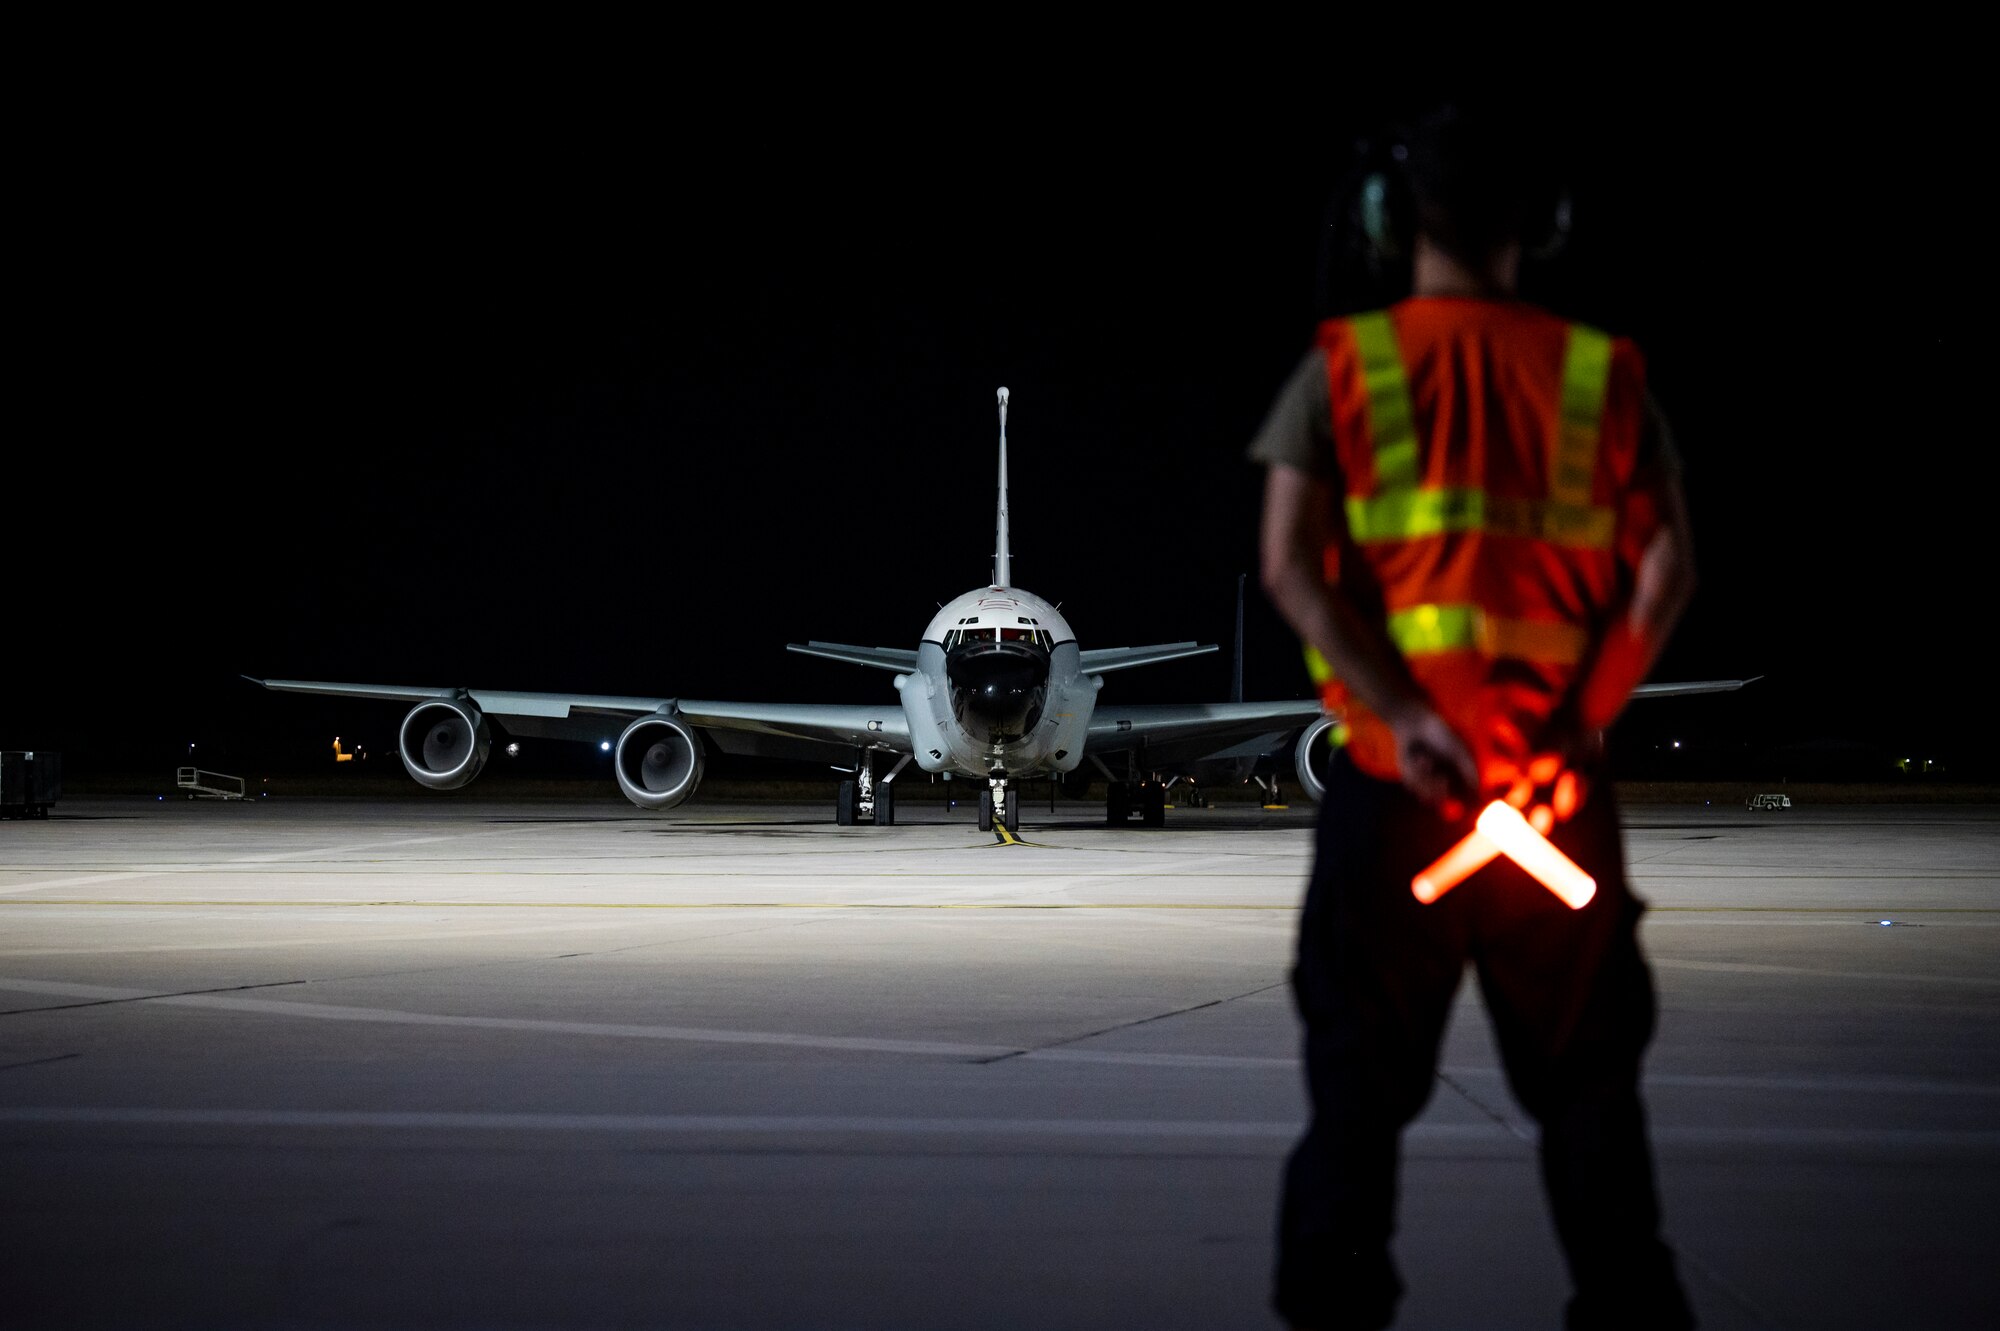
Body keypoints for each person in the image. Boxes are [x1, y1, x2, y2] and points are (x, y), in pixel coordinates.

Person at [1252, 106, 1700, 1330]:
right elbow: (1665, 577)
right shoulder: (1599, 375)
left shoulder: (1347, 367)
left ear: (1392, 222)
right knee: (1589, 1097)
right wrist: (1577, 724)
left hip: (1401, 798)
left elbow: (1287, 564)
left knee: (1355, 1093)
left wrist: (1404, 707)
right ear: (1539, 224)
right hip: (1551, 807)